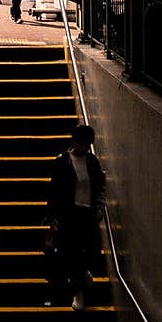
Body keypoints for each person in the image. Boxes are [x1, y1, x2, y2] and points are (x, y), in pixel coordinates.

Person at [46, 124, 106, 311]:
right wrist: (52, 218)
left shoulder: (92, 161)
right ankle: (78, 293)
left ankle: (82, 276)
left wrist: (98, 207)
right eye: (83, 144)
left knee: (92, 250)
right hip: (69, 215)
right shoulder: (62, 162)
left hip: (88, 214)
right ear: (74, 142)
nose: (86, 148)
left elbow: (100, 185)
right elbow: (55, 191)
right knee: (71, 252)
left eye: (88, 144)